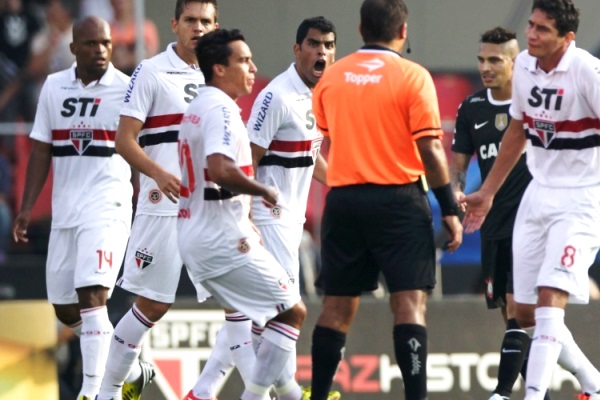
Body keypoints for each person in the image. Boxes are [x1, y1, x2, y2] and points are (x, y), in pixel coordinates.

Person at [308, 0, 463, 399]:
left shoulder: (332, 76)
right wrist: (448, 208)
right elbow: (429, 149)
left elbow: (328, 134)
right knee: (409, 305)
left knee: (336, 309)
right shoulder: (413, 76)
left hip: (343, 201)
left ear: (361, 30)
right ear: (403, 31)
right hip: (398, 201)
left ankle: (319, 394)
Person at [184, 16, 338, 400]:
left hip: (280, 218)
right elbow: (244, 159)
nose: (322, 51)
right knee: (283, 310)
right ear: (297, 49)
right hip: (266, 220)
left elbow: (307, 152)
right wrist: (255, 202)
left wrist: (340, 180)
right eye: (315, 44)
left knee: (260, 314)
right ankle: (281, 393)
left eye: (329, 45)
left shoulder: (316, 95)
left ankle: (205, 391)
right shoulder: (275, 96)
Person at [461, 1, 600, 399]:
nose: (531, 34)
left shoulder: (587, 72)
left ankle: (531, 395)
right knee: (523, 315)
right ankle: (593, 383)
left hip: (581, 201)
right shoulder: (523, 65)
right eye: (531, 25)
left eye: (542, 29)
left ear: (567, 38)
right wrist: (486, 193)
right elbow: (518, 131)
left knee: (549, 299)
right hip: (537, 196)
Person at [95, 1, 219, 400]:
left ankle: (229, 391)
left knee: (242, 302)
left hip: (211, 209)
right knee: (153, 304)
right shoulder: (151, 71)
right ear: (174, 24)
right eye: (190, 20)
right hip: (161, 203)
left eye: (205, 21)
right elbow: (123, 139)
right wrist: (158, 173)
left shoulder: (221, 73)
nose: (197, 28)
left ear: (216, 26)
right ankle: (109, 391)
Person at [11, 16, 132, 400]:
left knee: (93, 294)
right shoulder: (53, 87)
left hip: (108, 204)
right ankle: (126, 363)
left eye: (106, 43)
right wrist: (27, 207)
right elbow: (42, 148)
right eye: (92, 44)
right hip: (67, 210)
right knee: (65, 308)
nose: (100, 50)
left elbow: (147, 146)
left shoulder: (128, 90)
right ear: (74, 49)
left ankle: (94, 390)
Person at [450, 27, 543, 400]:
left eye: (494, 60)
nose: (485, 67)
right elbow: (459, 164)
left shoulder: (534, 104)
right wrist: (456, 189)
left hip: (531, 221)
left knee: (523, 313)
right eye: (481, 59)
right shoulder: (471, 108)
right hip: (492, 224)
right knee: (511, 319)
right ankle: (569, 387)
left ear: (515, 61)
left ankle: (503, 393)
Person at [108, 0, 159, 75]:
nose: (120, 3)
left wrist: (127, 59)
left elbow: (150, 54)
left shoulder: (145, 28)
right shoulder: (104, 30)